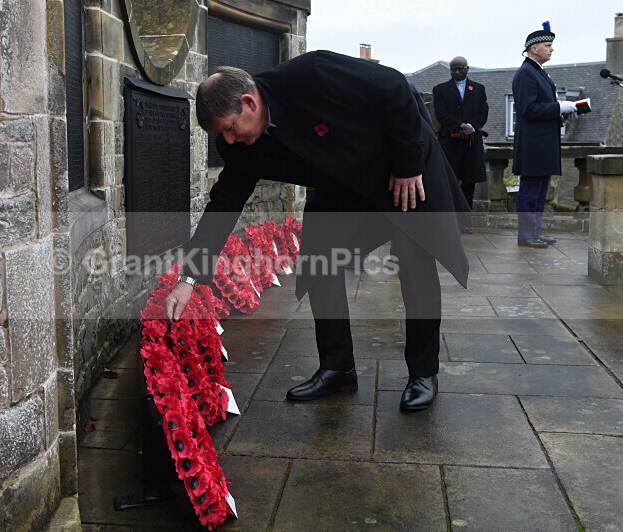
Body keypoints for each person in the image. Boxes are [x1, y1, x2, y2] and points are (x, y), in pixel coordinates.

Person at [164, 51, 469, 411]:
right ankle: (337, 368)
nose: (228, 141)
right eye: (222, 134)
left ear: (249, 102)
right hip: (345, 186)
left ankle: (423, 373)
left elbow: (395, 87)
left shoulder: (313, 73)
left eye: (230, 128)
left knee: (414, 262)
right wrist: (189, 278)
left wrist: (407, 164)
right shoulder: (243, 146)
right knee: (318, 264)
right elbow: (223, 204)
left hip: (402, 172)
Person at [512, 22, 577, 248]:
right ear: (534, 48)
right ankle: (526, 235)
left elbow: (541, 108)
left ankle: (535, 232)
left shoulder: (537, 72)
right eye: (548, 45)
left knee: (540, 191)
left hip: (543, 142)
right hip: (533, 144)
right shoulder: (526, 73)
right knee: (531, 190)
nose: (552, 49)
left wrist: (562, 114)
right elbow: (527, 109)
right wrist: (559, 107)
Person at [433, 56, 489, 234]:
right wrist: (459, 125)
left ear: (467, 69)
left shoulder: (479, 89)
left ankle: (465, 223)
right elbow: (441, 113)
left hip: (471, 144)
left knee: (468, 184)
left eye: (460, 69)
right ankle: (448, 223)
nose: (456, 72)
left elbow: (483, 112)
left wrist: (471, 126)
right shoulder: (440, 89)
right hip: (450, 143)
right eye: (453, 69)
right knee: (449, 184)